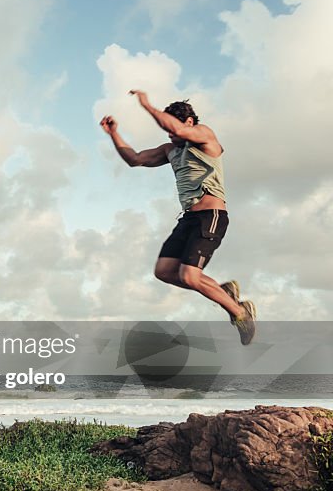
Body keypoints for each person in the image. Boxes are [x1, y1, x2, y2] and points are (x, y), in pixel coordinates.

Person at [99, 90, 256, 344]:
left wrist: (148, 106)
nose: (170, 134)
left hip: (211, 215)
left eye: (173, 128)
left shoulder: (205, 136)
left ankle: (240, 312)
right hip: (188, 219)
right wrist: (114, 134)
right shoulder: (170, 149)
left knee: (189, 276)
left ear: (189, 122)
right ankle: (223, 292)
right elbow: (135, 159)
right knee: (164, 270)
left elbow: (180, 131)